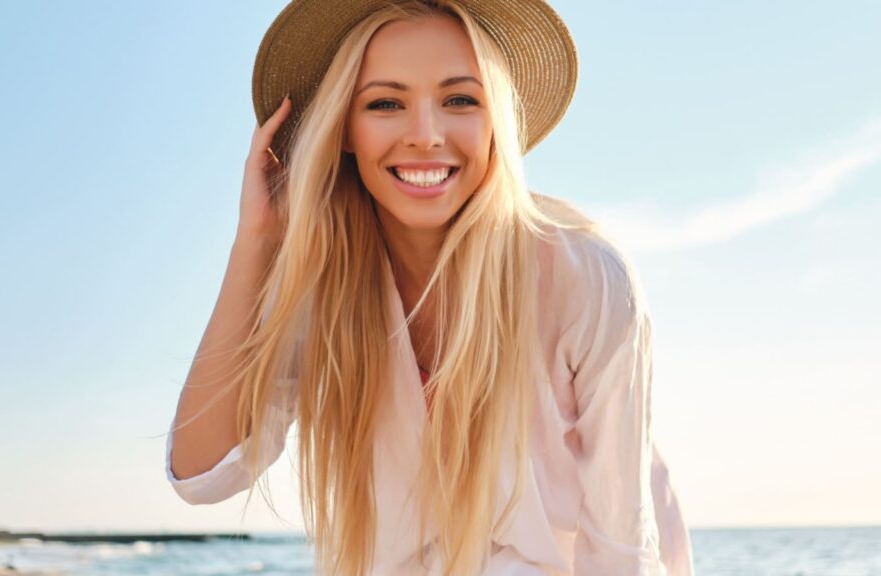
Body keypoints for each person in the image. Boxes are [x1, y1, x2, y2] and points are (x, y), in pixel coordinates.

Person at [165, 1, 694, 574]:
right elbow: (203, 474)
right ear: (344, 128)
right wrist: (257, 244)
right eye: (385, 103)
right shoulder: (324, 285)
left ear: (498, 119)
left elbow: (621, 550)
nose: (425, 135)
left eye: (461, 99)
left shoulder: (585, 278)